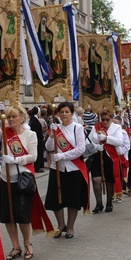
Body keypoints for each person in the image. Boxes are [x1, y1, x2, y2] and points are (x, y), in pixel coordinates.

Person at [0, 104, 53, 260]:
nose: (10, 120)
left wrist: (15, 159)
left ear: (22, 118)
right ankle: (15, 246)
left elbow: (33, 157)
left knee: (22, 214)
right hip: (5, 178)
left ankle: (27, 243)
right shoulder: (4, 131)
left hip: (22, 178)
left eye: (13, 116)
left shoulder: (30, 134)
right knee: (8, 215)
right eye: (8, 117)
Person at [44, 102, 89, 239]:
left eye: (67, 112)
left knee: (72, 199)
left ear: (72, 113)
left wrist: (63, 155)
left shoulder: (77, 128)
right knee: (55, 198)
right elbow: (49, 147)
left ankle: (70, 226)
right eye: (62, 112)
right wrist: (52, 135)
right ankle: (60, 225)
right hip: (57, 169)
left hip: (73, 169)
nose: (64, 114)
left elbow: (81, 149)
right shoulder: (56, 128)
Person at [88, 109, 124, 213]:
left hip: (110, 156)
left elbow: (119, 141)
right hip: (97, 155)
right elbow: (88, 140)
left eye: (107, 119)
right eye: (102, 119)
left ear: (111, 119)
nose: (104, 122)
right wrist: (96, 145)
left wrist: (106, 138)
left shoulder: (116, 127)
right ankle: (99, 204)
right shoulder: (96, 127)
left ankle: (109, 203)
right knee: (96, 180)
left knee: (109, 180)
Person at [28, 107, 45, 173]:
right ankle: (37, 167)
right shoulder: (34, 119)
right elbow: (37, 130)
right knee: (37, 152)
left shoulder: (34, 119)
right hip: (37, 138)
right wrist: (41, 136)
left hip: (37, 137)